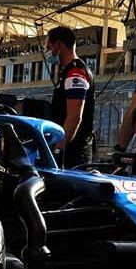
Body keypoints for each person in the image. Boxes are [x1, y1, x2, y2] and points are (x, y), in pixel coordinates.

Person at [44, 25, 95, 168]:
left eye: (49, 47)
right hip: (70, 151)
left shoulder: (75, 73)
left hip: (73, 155)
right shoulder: (68, 71)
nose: (48, 52)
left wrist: (58, 149)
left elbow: (74, 117)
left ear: (59, 45)